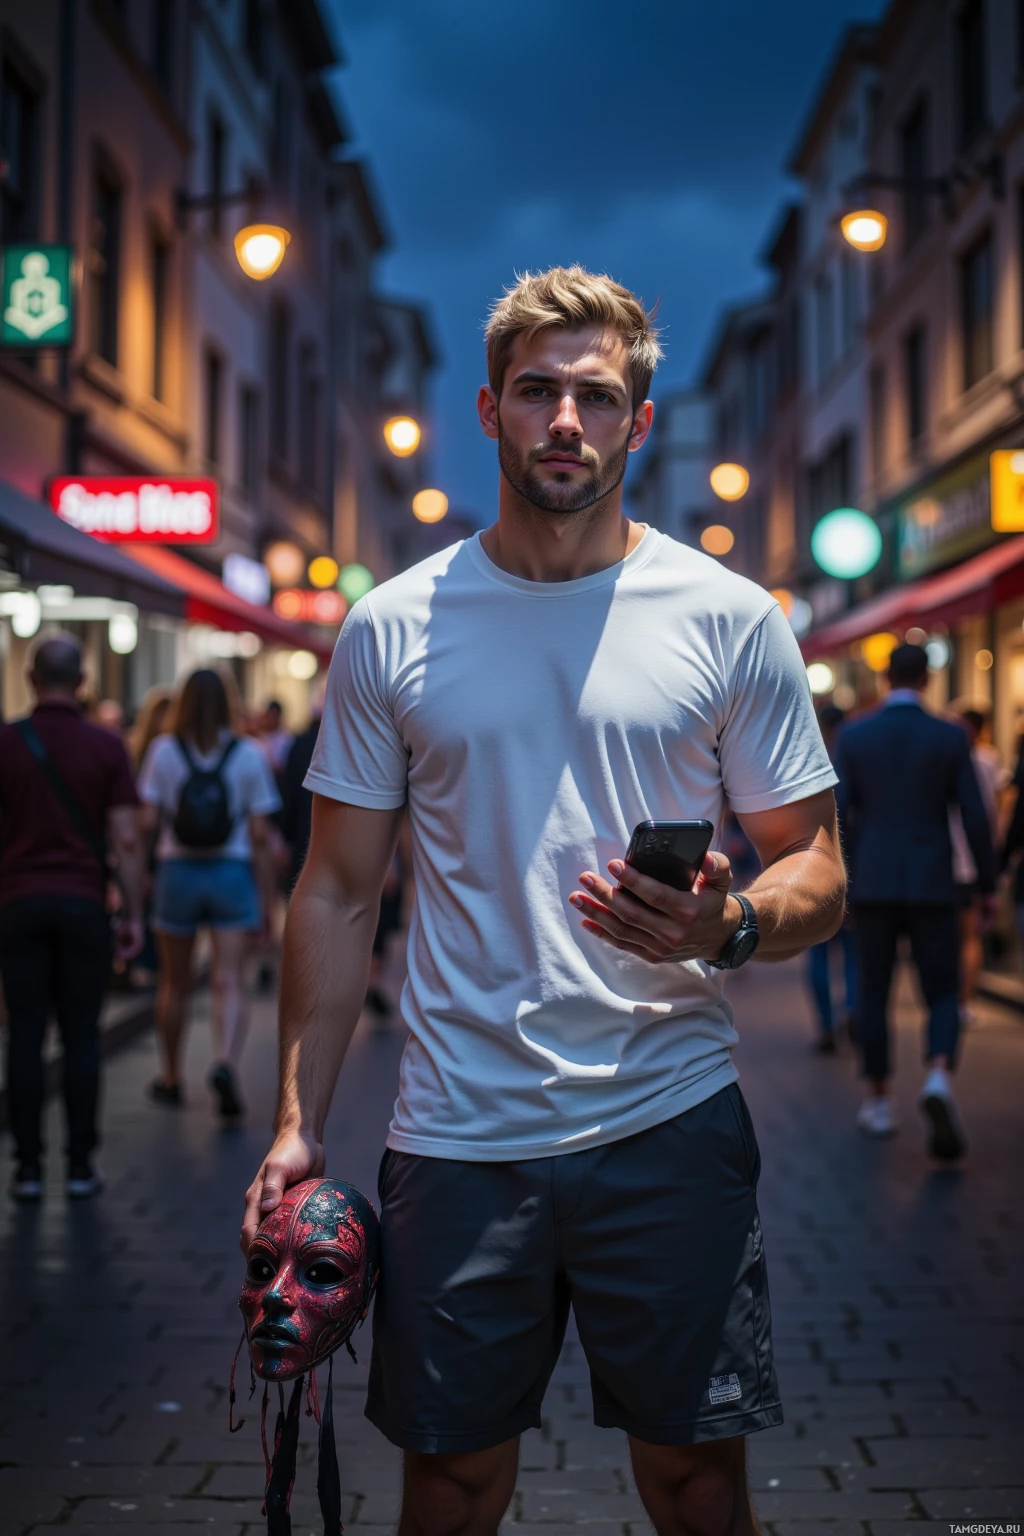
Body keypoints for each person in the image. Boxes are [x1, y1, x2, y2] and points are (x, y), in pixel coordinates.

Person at [241, 266, 846, 1536]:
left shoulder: (729, 618)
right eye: (537, 392)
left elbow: (817, 867)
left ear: (636, 417)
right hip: (458, 1133)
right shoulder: (392, 626)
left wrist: (728, 925)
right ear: (488, 409)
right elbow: (340, 892)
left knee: (693, 1483)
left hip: (669, 1122)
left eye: (596, 395)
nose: (565, 419)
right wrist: (300, 1122)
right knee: (453, 1489)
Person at [836, 645, 996, 1159]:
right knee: (944, 989)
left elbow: (837, 815)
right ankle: (939, 1075)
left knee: (873, 990)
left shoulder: (857, 736)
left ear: (886, 678)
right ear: (927, 678)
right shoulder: (950, 736)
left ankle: (879, 1099)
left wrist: (838, 884)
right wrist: (987, 885)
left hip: (874, 882)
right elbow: (974, 816)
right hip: (933, 880)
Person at [0, 635, 144, 1200]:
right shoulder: (107, 748)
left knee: (25, 1035)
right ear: (82, 683)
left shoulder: (6, 744)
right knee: (82, 1037)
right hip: (85, 905)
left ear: (32, 680)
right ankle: (81, 1164)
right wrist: (131, 913)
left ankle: (28, 1168)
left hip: (17, 906)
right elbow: (128, 842)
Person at [138, 668, 280, 1120]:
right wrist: (266, 898)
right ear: (229, 704)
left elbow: (146, 822)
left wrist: (140, 874)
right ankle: (223, 1061)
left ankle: (172, 1076)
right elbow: (259, 835)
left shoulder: (163, 751)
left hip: (177, 871)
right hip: (231, 871)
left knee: (174, 982)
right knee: (229, 979)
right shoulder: (249, 754)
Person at [806, 704, 858, 1053]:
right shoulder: (857, 755)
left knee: (819, 952)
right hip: (855, 873)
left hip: (814, 872)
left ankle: (826, 1022)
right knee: (854, 954)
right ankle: (852, 1010)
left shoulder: (809, 762)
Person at [948, 706, 1005, 1017]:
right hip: (973, 856)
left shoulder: (948, 757)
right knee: (970, 936)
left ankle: (950, 999)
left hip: (948, 857)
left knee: (953, 936)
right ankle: (964, 1001)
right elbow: (993, 809)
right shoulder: (989, 759)